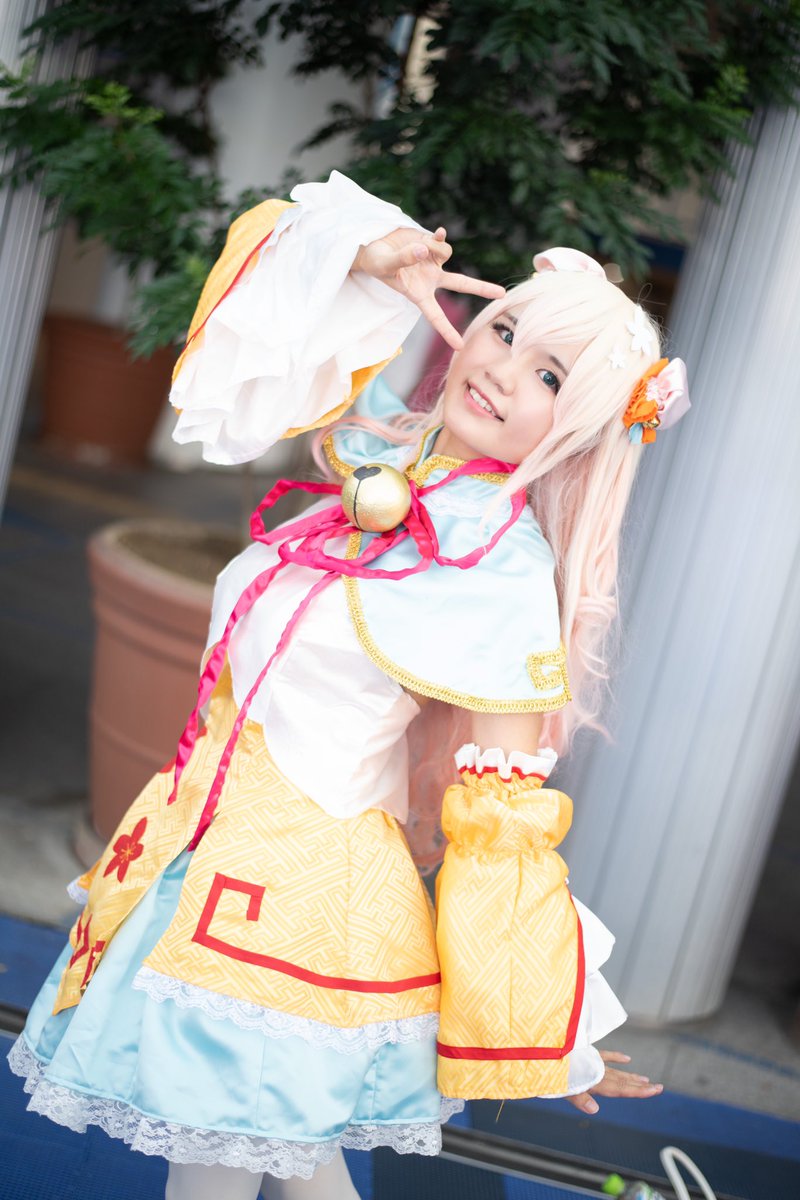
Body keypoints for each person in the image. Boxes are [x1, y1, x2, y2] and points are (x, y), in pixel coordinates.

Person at [8, 172, 689, 1200]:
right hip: (216, 856)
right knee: (294, 1164)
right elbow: (259, 334)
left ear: (581, 425)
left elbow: (501, 822)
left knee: (224, 1167)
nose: (502, 369)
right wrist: (367, 257)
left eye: (550, 375)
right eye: (505, 330)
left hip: (296, 911)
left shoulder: (499, 570)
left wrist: (545, 1021)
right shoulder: (392, 462)